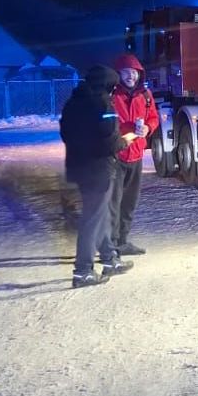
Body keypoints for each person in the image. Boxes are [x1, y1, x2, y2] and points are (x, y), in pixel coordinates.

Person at [60, 65, 135, 287]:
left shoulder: (73, 102)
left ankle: (110, 259)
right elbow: (110, 141)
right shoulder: (103, 103)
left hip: (79, 167)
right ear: (108, 84)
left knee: (99, 215)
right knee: (92, 219)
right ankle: (83, 271)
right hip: (99, 169)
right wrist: (125, 141)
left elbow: (65, 133)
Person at [110, 53, 158, 256]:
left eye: (134, 72)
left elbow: (153, 117)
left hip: (136, 157)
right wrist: (124, 130)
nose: (131, 76)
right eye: (126, 72)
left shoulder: (145, 95)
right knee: (113, 204)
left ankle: (122, 242)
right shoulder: (110, 95)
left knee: (129, 202)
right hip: (115, 157)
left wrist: (148, 127)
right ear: (118, 74)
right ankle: (110, 247)